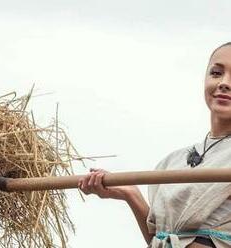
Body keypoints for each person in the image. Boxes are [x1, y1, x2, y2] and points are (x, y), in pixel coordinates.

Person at [78, 42, 231, 248]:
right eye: (216, 73)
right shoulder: (171, 163)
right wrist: (130, 193)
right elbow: (160, 239)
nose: (224, 83)